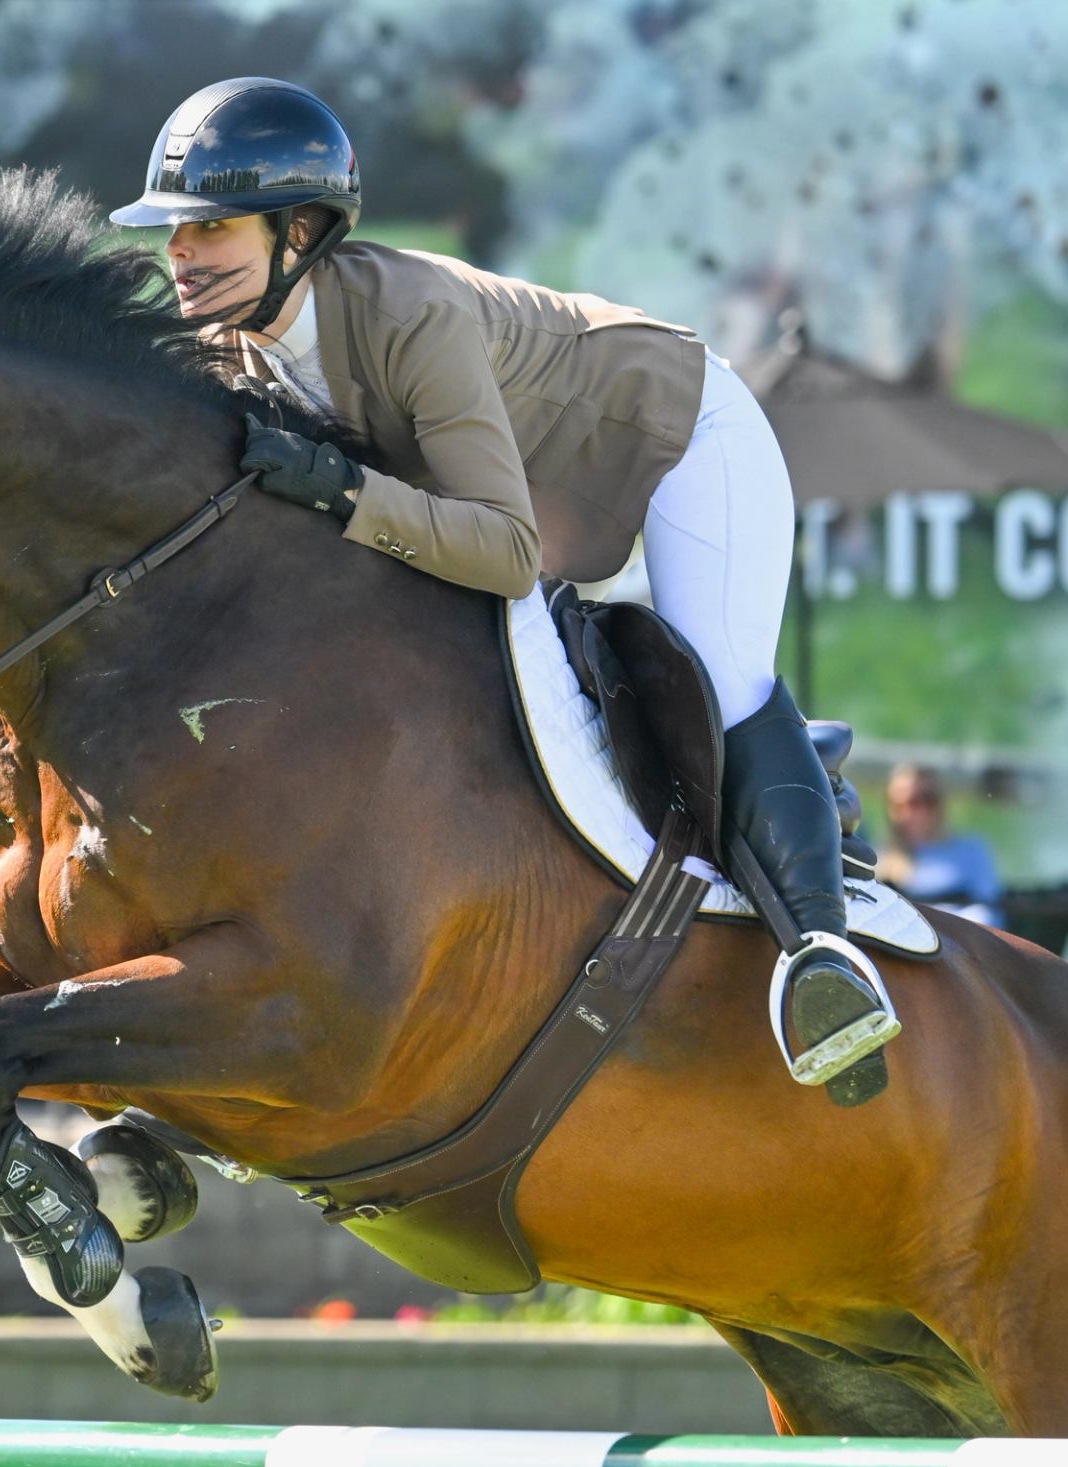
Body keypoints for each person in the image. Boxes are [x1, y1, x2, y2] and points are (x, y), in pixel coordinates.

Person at [111, 77, 898, 1088]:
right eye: (173, 231)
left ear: (299, 232)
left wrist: (345, 492)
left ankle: (823, 960)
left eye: (210, 229)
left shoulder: (410, 317)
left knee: (717, 681)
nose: (179, 253)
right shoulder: (234, 351)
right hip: (545, 496)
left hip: (681, 442)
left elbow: (503, 553)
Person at [879, 765, 1004, 927]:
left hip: (961, 938)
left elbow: (989, 913)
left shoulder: (972, 851)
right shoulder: (876, 860)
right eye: (901, 804)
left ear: (939, 804)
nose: (913, 812)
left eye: (924, 800)